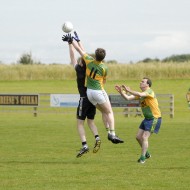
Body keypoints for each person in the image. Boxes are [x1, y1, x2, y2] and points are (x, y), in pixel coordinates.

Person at [69, 32, 124, 144]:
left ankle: (108, 131)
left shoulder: (88, 61)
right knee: (109, 112)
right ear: (103, 57)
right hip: (98, 91)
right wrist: (78, 41)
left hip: (89, 93)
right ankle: (112, 134)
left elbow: (79, 51)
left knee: (104, 111)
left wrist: (72, 41)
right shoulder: (104, 67)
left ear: (94, 55)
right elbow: (104, 80)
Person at [62, 32, 101, 158]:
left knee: (79, 123)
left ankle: (84, 145)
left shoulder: (79, 70)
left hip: (84, 98)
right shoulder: (89, 70)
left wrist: (69, 44)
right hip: (92, 98)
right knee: (91, 122)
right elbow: (83, 53)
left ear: (80, 63)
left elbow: (73, 56)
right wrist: (78, 41)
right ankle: (97, 137)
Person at [115, 77, 162, 163]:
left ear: (148, 85)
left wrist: (129, 90)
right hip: (147, 119)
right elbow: (128, 98)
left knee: (144, 137)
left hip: (154, 118)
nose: (140, 83)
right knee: (138, 137)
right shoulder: (141, 94)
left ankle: (142, 158)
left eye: (143, 82)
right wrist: (121, 92)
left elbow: (140, 95)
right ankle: (147, 153)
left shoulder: (149, 91)